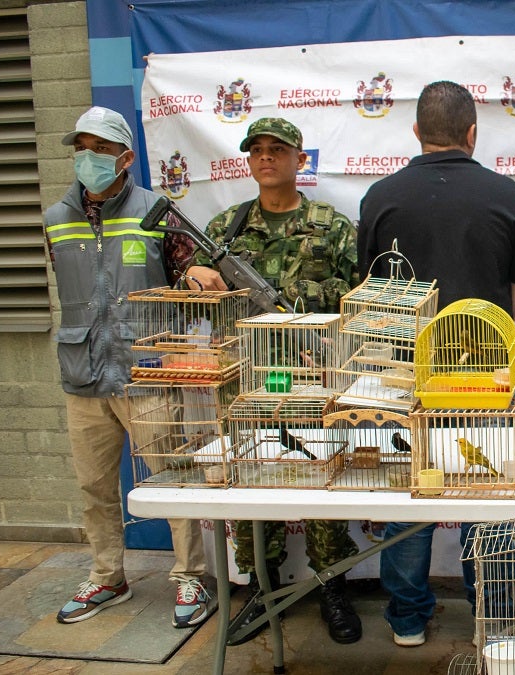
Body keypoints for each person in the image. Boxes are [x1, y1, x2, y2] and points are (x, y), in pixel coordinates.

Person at [358, 80, 515, 646]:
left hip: (407, 373)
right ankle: (497, 615)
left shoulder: (380, 196)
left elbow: (372, 293)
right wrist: (473, 328)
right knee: (490, 493)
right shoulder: (505, 193)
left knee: (413, 496)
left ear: (415, 131)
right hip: (487, 372)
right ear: (472, 133)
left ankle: (408, 617)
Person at [185, 117, 363, 645]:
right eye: (257, 150)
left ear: (298, 159)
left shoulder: (331, 226)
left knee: (324, 484)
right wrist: (193, 275)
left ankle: (332, 586)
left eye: (277, 150)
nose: (266, 158)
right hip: (244, 384)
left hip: (315, 381)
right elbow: (192, 281)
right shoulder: (226, 229)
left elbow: (358, 301)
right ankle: (262, 587)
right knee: (249, 483)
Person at [44, 106, 211, 628]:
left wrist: (199, 279)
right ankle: (107, 576)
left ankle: (191, 577)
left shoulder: (158, 213)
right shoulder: (55, 220)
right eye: (81, 148)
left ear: (126, 158)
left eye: (99, 149)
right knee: (94, 487)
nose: (87, 158)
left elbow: (196, 276)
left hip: (147, 371)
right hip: (84, 375)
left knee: (172, 479)